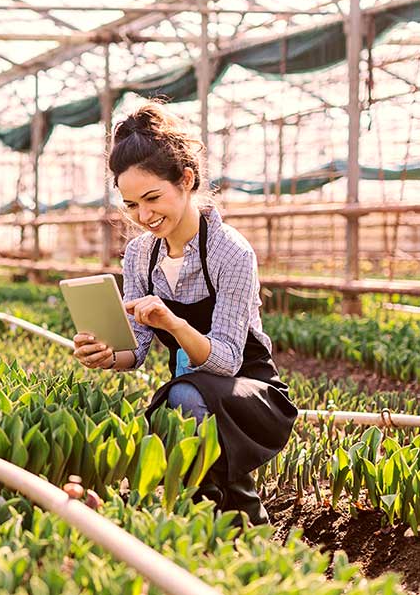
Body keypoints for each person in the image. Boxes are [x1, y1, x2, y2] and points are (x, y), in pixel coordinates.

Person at [73, 102, 297, 525]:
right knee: (181, 398)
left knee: (183, 396)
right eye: (131, 205)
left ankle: (231, 518)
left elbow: (228, 362)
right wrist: (106, 353)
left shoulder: (230, 252)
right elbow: (135, 352)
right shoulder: (141, 254)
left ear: (187, 180)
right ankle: (226, 523)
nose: (144, 216)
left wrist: (173, 323)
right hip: (193, 391)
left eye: (152, 198)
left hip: (250, 392)